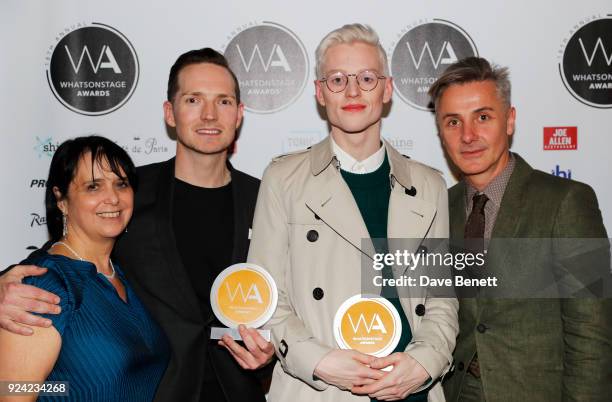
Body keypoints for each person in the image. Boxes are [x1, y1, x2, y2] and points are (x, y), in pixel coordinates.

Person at [0, 49, 274, 402]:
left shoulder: (267, 199)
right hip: (157, 391)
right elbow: (61, 256)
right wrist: (4, 281)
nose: (209, 114)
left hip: (241, 392)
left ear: (239, 114)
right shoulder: (129, 194)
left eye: (222, 101)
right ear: (169, 113)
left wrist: (273, 352)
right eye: (193, 99)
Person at [247, 24, 458, 402]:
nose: (353, 91)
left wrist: (424, 363)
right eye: (337, 79)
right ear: (319, 93)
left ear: (388, 89)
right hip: (319, 390)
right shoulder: (284, 179)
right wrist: (320, 361)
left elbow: (441, 298)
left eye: (366, 78)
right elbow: (267, 297)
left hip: (410, 390)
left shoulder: (429, 185)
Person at [428, 57, 612, 401]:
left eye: (483, 117)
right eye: (453, 122)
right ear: (440, 132)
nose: (468, 136)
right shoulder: (437, 208)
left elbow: (592, 334)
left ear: (509, 121)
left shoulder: (568, 201)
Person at [0, 136, 169, 401]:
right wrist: (67, 391)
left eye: (121, 184)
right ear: (62, 200)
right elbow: (11, 392)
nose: (112, 198)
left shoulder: (122, 276)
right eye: (93, 186)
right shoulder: (45, 283)